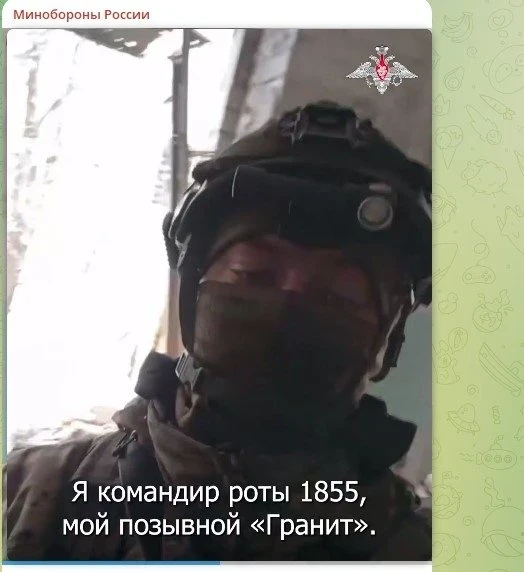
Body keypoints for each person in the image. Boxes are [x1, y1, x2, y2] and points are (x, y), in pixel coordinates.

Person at [3, 101, 432, 561]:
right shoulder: (31, 496)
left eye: (337, 296)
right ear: (194, 291)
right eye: (253, 275)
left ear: (386, 332)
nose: (286, 310)